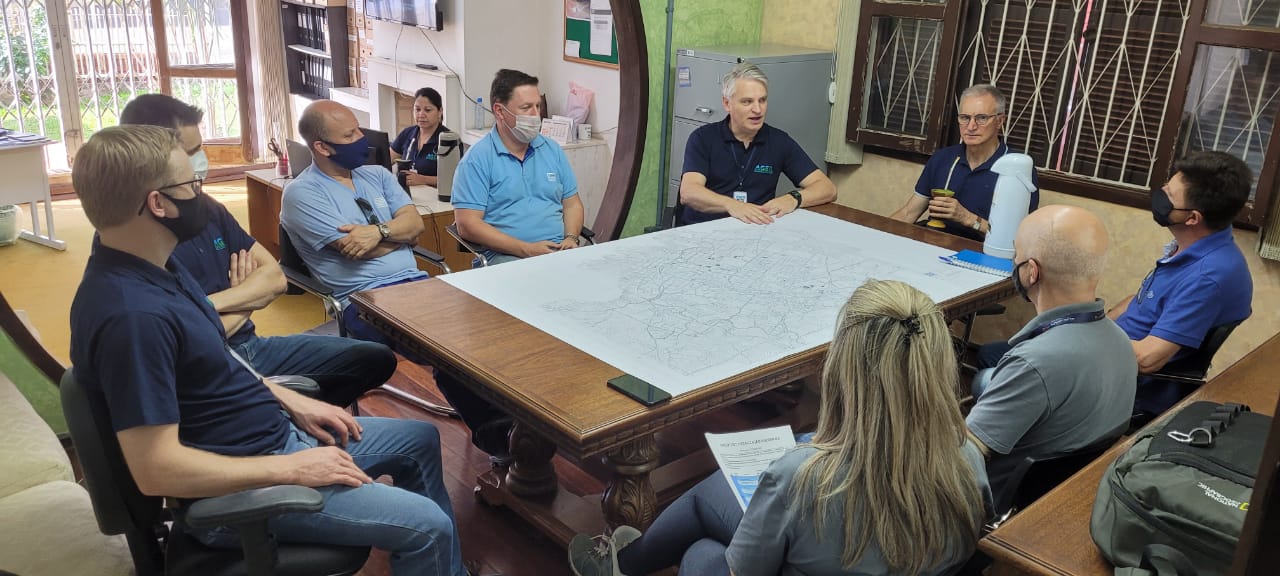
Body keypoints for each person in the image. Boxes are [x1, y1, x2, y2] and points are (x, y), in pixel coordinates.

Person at [68, 125, 464, 576]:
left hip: (270, 436)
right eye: (191, 184)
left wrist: (289, 399)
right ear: (158, 204)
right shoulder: (133, 317)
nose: (202, 193)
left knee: (419, 440)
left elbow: (214, 358)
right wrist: (293, 470)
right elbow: (156, 470)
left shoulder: (154, 264)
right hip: (244, 490)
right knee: (428, 526)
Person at [570, 280, 991, 576]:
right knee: (712, 503)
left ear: (843, 369)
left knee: (701, 552)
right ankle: (624, 563)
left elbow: (740, 570)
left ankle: (620, 566)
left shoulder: (800, 477)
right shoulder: (968, 458)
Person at [120, 93, 395, 407]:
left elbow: (274, 280)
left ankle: (293, 419)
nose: (201, 159)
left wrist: (207, 306)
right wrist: (247, 299)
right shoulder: (139, 239)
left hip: (250, 344)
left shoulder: (207, 207)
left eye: (201, 148)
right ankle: (283, 420)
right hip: (206, 364)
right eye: (191, 151)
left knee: (375, 359)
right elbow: (183, 339)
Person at [281, 100, 513, 462]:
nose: (361, 139)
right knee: (452, 345)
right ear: (322, 147)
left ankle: (513, 421)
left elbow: (414, 225)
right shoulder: (302, 193)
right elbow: (353, 250)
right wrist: (398, 235)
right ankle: (501, 440)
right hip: (365, 300)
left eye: (358, 129)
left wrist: (378, 232)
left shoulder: (377, 175)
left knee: (494, 323)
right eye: (350, 135)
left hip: (418, 284)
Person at [965, 206, 1136, 502]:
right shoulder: (1120, 340)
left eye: (1016, 256)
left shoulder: (1034, 363)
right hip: (1072, 490)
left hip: (1002, 499)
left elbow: (965, 458)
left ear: (1032, 272)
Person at [1107, 151, 1253, 416]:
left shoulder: (1207, 277)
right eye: (1167, 184)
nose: (1161, 193)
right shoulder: (1197, 245)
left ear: (1192, 218)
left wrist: (1089, 343)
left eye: (1169, 195)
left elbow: (1147, 359)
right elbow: (1140, 301)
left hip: (1127, 389)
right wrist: (1094, 324)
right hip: (1110, 359)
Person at [451, 69, 585, 266]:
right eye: (526, 107)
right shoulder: (477, 160)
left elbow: (572, 204)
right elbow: (467, 225)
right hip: (505, 257)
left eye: (538, 106)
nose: (536, 115)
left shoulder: (552, 150)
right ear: (499, 111)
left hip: (558, 252)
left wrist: (571, 238)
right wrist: (526, 249)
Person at [678, 62, 836, 226]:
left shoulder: (779, 141)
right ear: (727, 104)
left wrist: (793, 198)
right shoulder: (703, 138)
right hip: (704, 230)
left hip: (755, 230)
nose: (758, 110)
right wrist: (733, 206)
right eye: (747, 102)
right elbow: (689, 192)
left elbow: (827, 188)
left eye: (762, 100)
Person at [890, 84, 1040, 241]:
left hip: (981, 251)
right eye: (965, 118)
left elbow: (1018, 237)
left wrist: (968, 218)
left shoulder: (1017, 168)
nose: (971, 126)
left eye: (981, 118)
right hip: (934, 243)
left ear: (1000, 121)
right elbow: (909, 213)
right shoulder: (943, 158)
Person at [391, 87, 451, 187]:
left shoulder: (449, 140)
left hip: (434, 194)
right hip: (405, 191)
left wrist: (423, 179)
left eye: (428, 110)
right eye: (417, 109)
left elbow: (452, 179)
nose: (421, 115)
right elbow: (387, 159)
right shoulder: (408, 133)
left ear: (440, 111)